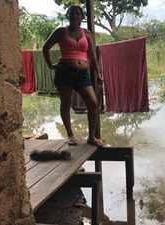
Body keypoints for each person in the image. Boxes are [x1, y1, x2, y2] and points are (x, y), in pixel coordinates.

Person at [42, 4, 104, 147]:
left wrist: (98, 73)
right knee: (65, 103)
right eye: (71, 13)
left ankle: (91, 137)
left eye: (77, 13)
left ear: (82, 16)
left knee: (93, 103)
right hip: (65, 72)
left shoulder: (86, 33)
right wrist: (50, 65)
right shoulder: (60, 32)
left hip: (82, 73)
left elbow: (92, 55)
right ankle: (70, 135)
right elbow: (46, 47)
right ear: (67, 16)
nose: (75, 16)